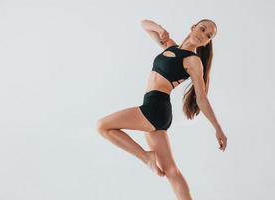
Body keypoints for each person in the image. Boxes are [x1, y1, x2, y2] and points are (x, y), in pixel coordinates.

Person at [97, 18, 228, 200]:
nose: (203, 35)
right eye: (202, 29)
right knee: (172, 171)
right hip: (157, 111)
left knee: (102, 126)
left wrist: (218, 128)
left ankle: (145, 157)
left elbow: (202, 98)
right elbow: (144, 24)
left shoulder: (193, 61)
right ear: (193, 27)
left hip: (155, 108)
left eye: (208, 36)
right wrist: (160, 29)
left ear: (207, 42)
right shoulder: (171, 47)